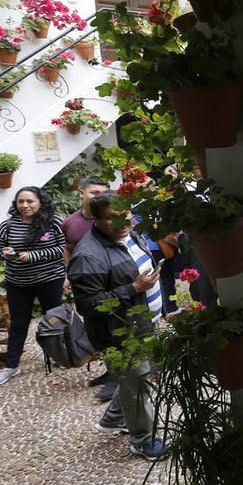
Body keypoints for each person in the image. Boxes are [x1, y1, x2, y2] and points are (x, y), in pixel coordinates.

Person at [67, 191, 164, 460]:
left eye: (126, 214)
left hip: (144, 322)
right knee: (138, 386)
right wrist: (134, 288)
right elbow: (88, 305)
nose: (122, 221)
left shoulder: (129, 234)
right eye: (112, 217)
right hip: (119, 334)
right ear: (96, 220)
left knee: (136, 380)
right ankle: (143, 441)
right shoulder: (87, 256)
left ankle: (112, 419)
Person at [0, 186, 67, 387]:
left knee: (54, 319)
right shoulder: (8, 226)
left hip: (50, 279)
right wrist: (5, 253)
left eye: (30, 201)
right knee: (18, 324)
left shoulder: (54, 222)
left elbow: (62, 249)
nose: (25, 205)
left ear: (40, 202)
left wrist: (34, 256)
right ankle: (11, 366)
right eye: (20, 201)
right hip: (18, 283)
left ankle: (60, 356)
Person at [61, 177, 120, 401]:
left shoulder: (113, 217)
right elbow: (68, 248)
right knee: (96, 328)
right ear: (81, 194)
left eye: (104, 193)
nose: (100, 197)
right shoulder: (70, 222)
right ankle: (110, 370)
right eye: (95, 193)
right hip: (86, 282)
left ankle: (117, 379)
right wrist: (68, 274)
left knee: (114, 328)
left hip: (111, 283)